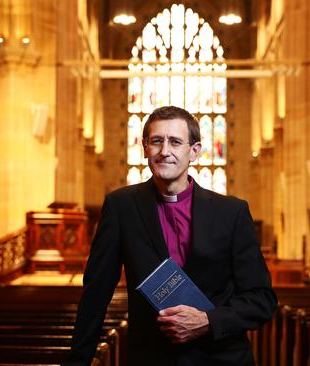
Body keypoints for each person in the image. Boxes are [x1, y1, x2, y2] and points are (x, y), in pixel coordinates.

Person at [65, 106, 277, 365]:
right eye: (156, 141)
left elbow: (261, 300)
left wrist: (207, 321)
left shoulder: (231, 212)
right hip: (152, 358)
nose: (165, 151)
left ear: (194, 151)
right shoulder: (121, 207)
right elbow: (96, 294)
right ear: (145, 148)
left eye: (175, 142)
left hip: (221, 358)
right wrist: (77, 362)